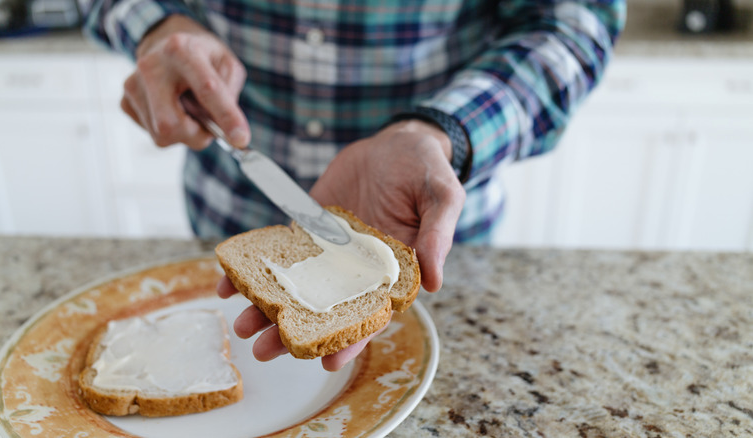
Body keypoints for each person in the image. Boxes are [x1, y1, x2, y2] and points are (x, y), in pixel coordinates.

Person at [84, 0, 626, 370]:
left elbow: (575, 24)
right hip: (227, 202)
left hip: (426, 221)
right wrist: (156, 28)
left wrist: (438, 133)